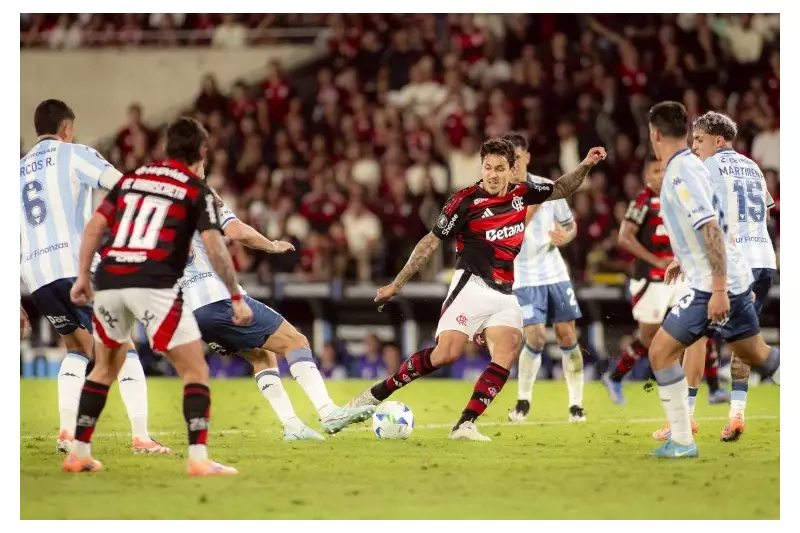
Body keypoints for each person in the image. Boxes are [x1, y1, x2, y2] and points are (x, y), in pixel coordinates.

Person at [347, 138, 607, 441]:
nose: (493, 174)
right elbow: (430, 242)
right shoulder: (465, 201)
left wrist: (586, 164)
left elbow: (562, 187)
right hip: (471, 284)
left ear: (512, 171)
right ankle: (375, 395)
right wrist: (396, 283)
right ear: (480, 167)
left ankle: (465, 423)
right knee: (446, 354)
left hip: (504, 292)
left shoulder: (524, 194)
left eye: (500, 168)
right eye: (487, 167)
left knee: (509, 348)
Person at [65, 117, 252, 475]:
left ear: (166, 149)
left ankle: (79, 452)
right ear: (201, 152)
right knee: (195, 368)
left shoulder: (132, 179)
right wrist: (236, 296)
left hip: (111, 277)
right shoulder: (196, 189)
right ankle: (199, 460)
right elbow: (215, 247)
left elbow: (95, 226)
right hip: (154, 281)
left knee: (104, 367)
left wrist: (81, 277)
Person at [20, 99, 167, 455]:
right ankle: (141, 437)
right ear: (66, 128)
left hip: (36, 276)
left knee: (76, 347)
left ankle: (67, 433)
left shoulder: (15, 170)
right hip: (75, 265)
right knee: (124, 344)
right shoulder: (75, 154)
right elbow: (121, 185)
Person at [181, 193, 376, 440]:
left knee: (261, 355)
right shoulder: (202, 195)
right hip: (218, 297)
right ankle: (328, 411)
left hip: (194, 313)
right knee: (295, 341)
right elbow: (236, 231)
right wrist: (272, 245)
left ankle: (292, 425)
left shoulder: (155, 210)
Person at [645, 101, 779, 459]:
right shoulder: (744, 166)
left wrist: (718, 286)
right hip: (757, 259)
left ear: (655, 134)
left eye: (702, 139)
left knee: (670, 348)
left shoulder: (692, 169)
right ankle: (704, 423)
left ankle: (683, 434)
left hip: (720, 274)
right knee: (755, 353)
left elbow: (710, 226)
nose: (698, 144)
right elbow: (752, 212)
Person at [691, 110, 778, 442]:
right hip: (764, 259)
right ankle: (736, 415)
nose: (694, 147)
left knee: (692, 334)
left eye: (699, 140)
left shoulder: (707, 167)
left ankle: (683, 419)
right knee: (744, 343)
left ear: (718, 140)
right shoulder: (753, 166)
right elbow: (765, 209)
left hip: (733, 260)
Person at [501, 132, 586, 423]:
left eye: (516, 156)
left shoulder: (549, 188)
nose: (512, 163)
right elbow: (512, 233)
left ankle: (576, 404)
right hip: (522, 276)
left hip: (554, 272)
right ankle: (523, 401)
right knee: (535, 337)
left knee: (567, 335)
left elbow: (570, 225)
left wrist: (567, 236)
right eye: (506, 157)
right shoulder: (500, 196)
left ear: (526, 157)